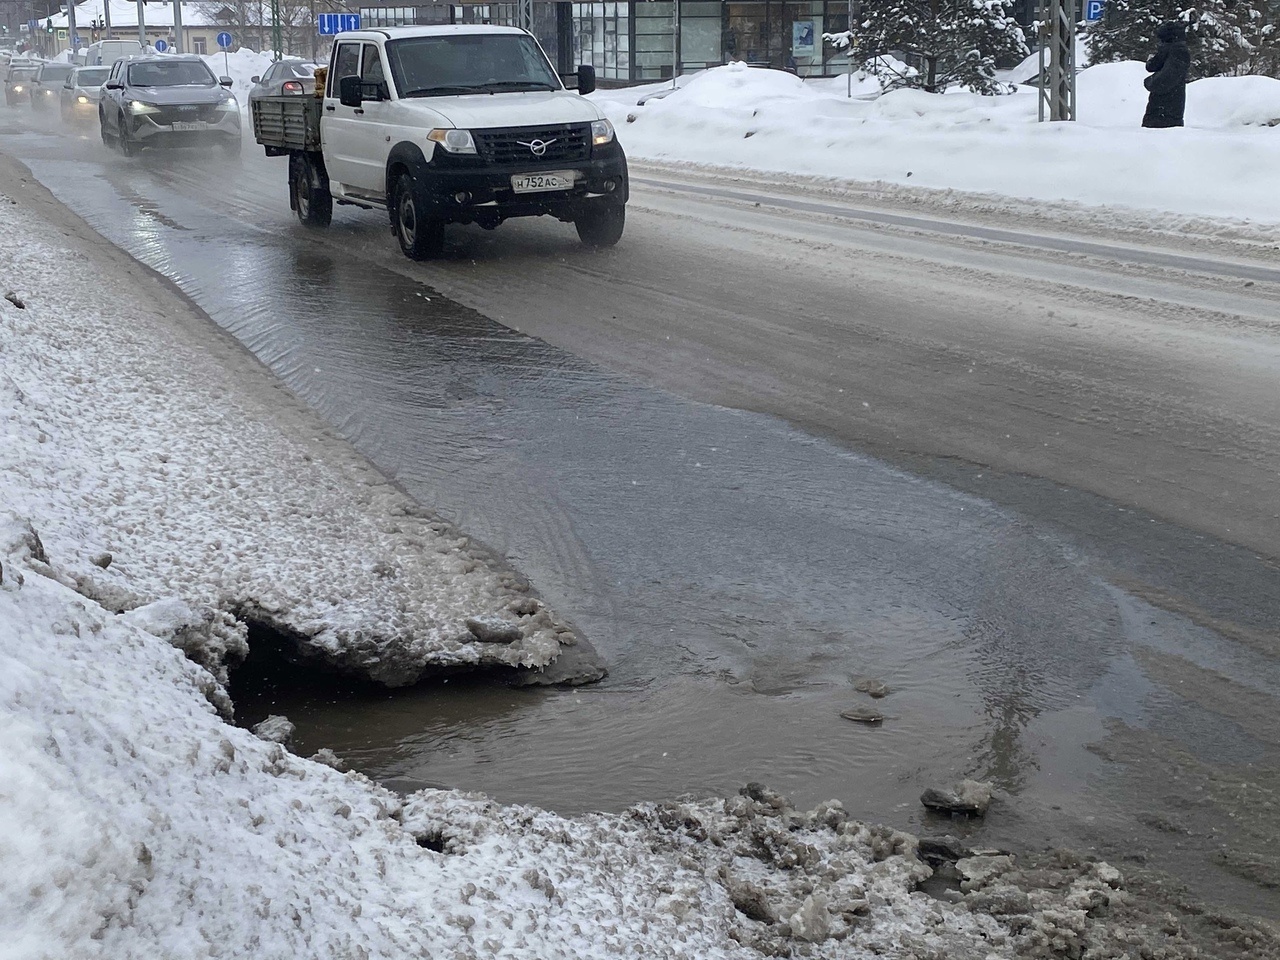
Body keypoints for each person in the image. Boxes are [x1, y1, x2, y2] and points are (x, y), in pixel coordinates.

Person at [1142, 21, 1190, 128]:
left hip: (1167, 111)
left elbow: (1168, 77)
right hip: (1163, 109)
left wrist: (1150, 82)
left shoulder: (1179, 51)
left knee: (1159, 139)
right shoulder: (1172, 49)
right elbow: (1153, 66)